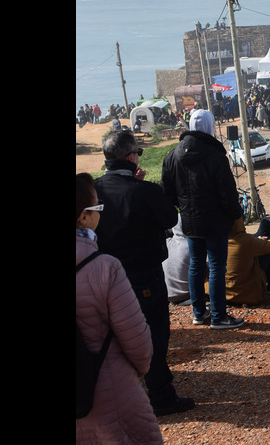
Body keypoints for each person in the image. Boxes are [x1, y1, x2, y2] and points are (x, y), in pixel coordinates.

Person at [95, 130, 195, 415]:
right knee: (153, 334)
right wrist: (143, 189)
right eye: (137, 152)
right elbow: (169, 218)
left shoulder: (93, 189)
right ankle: (161, 394)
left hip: (103, 275)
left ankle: (118, 393)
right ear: (131, 157)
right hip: (144, 275)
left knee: (111, 335)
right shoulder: (147, 192)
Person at [76, 173, 163, 443]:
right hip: (107, 389)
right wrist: (136, 372)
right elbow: (138, 342)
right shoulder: (104, 267)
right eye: (97, 208)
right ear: (83, 217)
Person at [162, 109, 246, 330]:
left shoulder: (171, 156)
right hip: (216, 222)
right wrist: (236, 214)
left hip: (189, 221)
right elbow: (228, 194)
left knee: (196, 265)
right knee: (217, 267)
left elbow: (168, 195)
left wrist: (185, 207)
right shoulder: (216, 157)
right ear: (209, 127)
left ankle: (199, 313)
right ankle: (219, 317)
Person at [225, 216, 270, 304]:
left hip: (221, 291)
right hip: (245, 293)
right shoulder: (247, 241)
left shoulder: (216, 239)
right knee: (266, 252)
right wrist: (263, 240)